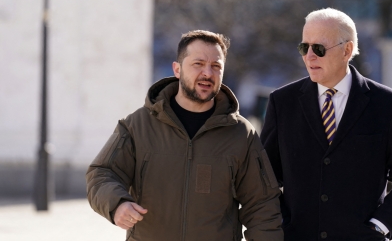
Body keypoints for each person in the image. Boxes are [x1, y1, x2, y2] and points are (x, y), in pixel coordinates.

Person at [86, 30, 283, 241]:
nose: (208, 73)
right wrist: (117, 204)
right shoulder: (138, 125)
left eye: (216, 66)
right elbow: (102, 173)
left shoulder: (241, 134)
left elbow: (263, 205)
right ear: (177, 69)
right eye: (198, 64)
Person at [261, 8, 392, 240]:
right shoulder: (282, 102)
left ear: (347, 50)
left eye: (318, 48)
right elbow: (263, 179)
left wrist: (379, 227)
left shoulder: (387, 104)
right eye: (303, 47)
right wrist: (282, 225)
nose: (309, 56)